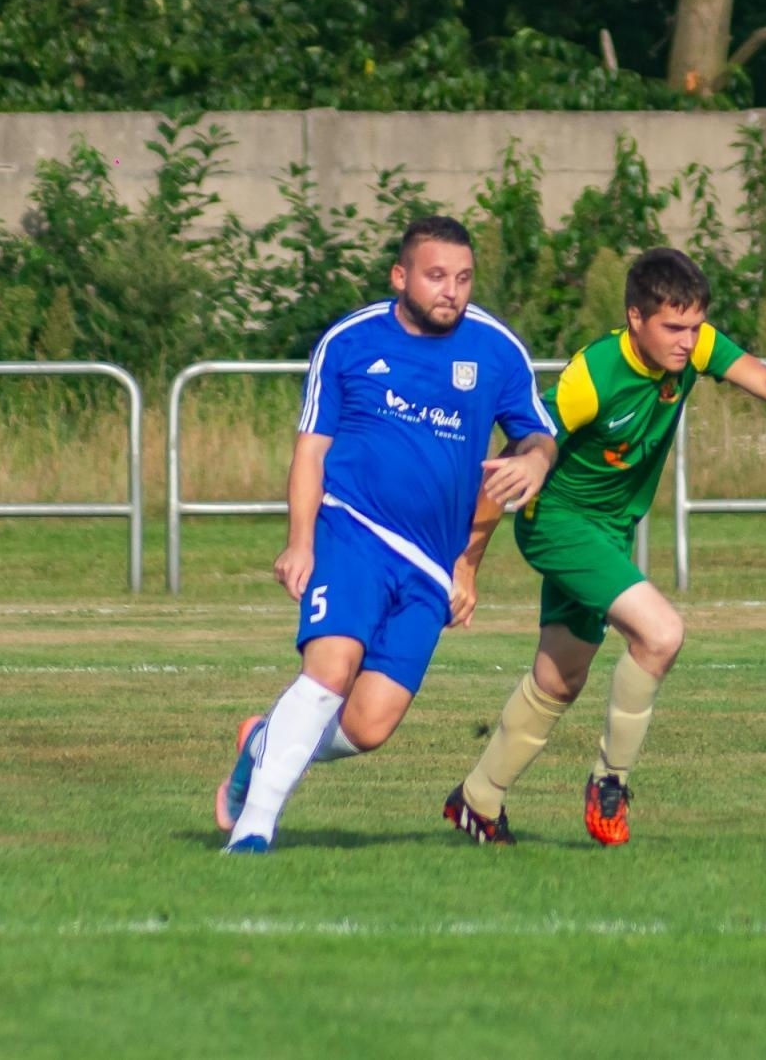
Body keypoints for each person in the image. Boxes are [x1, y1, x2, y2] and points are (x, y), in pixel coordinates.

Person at [441, 246, 766, 846]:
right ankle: (610, 781)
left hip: (611, 531)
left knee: (560, 678)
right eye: (673, 327)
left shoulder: (694, 347)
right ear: (635, 319)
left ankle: (477, 800)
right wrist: (467, 567)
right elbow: (514, 463)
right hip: (560, 524)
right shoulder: (590, 377)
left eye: (695, 327)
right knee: (660, 634)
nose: (687, 340)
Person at [216, 214, 558, 854]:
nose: (450, 291)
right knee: (331, 667)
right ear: (401, 276)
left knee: (369, 725)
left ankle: (263, 744)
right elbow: (311, 449)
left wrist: (535, 461)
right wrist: (300, 540)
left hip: (431, 566)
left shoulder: (495, 350)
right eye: (435, 277)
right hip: (352, 529)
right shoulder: (348, 341)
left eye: (462, 278)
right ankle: (255, 826)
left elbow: (536, 432)